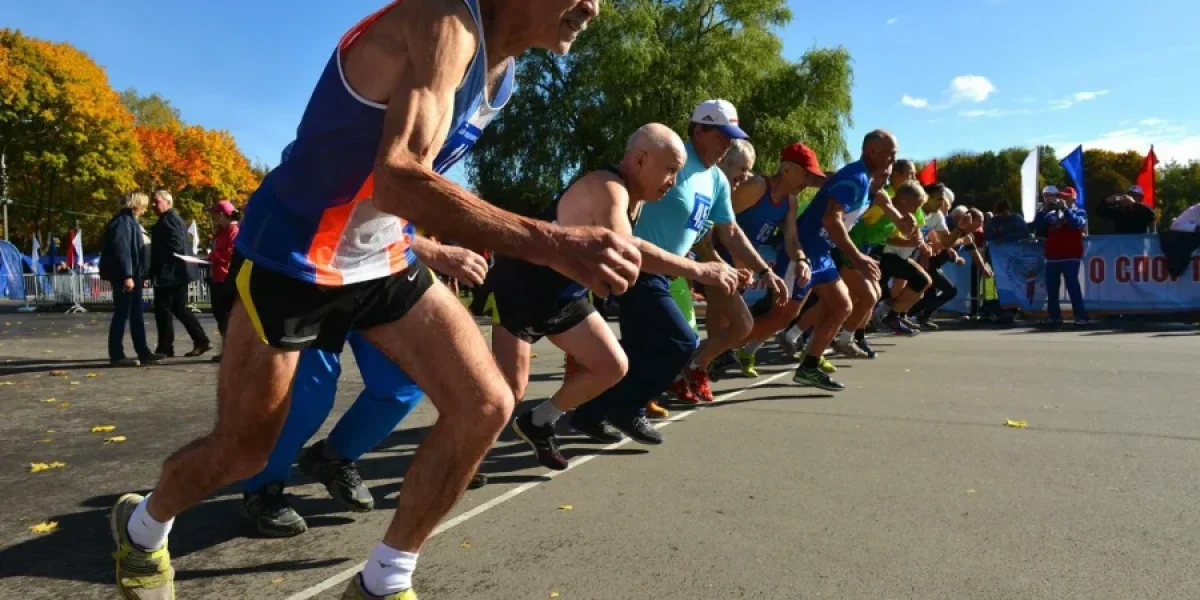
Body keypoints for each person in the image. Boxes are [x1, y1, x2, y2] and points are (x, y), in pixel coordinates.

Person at [108, 3, 640, 600]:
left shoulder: (504, 71)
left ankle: (385, 580)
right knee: (245, 451)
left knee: (486, 403)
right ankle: (143, 526)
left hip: (380, 259)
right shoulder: (443, 23)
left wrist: (431, 249)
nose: (592, 7)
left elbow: (403, 189)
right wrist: (548, 242)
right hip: (296, 259)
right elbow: (397, 176)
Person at [497, 124, 739, 468]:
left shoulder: (635, 202)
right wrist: (700, 270)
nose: (673, 180)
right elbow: (628, 248)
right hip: (522, 290)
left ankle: (538, 422)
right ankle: (458, 457)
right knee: (504, 396)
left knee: (613, 366)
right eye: (670, 169)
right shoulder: (609, 188)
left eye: (677, 172)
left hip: (565, 296)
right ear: (640, 159)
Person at [570, 99, 786, 444]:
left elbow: (729, 231)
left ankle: (589, 413)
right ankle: (627, 409)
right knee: (681, 343)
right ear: (699, 130)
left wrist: (763, 270)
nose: (728, 144)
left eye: (732, 138)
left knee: (642, 351)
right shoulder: (672, 157)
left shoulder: (716, 179)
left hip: (668, 271)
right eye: (722, 136)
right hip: (637, 265)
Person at [241, 238, 490, 536]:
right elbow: (359, 217)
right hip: (312, 277)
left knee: (403, 383)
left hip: (372, 281)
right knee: (309, 398)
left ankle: (332, 457)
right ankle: (262, 486)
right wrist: (436, 252)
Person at [790, 130, 899, 391]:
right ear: (871, 151)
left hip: (822, 251)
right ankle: (717, 354)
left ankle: (809, 367)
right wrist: (858, 257)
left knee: (841, 305)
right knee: (779, 314)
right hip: (805, 247)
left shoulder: (866, 179)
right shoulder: (856, 178)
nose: (893, 160)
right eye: (889, 154)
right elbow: (831, 219)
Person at [724, 143, 828, 374]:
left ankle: (701, 365)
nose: (807, 182)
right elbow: (719, 223)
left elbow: (791, 240)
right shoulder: (756, 187)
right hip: (724, 258)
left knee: (732, 324)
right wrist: (733, 262)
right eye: (805, 174)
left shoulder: (790, 201)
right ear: (788, 170)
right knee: (731, 323)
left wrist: (801, 260)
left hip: (743, 264)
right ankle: (696, 365)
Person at [148, 190, 212, 359]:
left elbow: (176, 246)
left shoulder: (168, 220)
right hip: (177, 272)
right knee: (179, 309)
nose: (153, 205)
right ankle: (201, 340)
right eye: (152, 202)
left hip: (171, 274)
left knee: (164, 310)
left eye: (157, 201)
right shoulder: (172, 219)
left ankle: (165, 347)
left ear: (168, 202)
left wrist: (160, 262)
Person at [99, 192, 158, 367]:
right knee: (123, 314)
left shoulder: (126, 221)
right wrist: (128, 275)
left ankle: (143, 351)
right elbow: (123, 250)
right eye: (144, 206)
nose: (145, 210)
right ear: (137, 205)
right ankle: (117, 355)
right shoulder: (124, 223)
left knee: (134, 315)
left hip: (131, 274)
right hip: (126, 275)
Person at [1034, 186, 1089, 326]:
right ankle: (1054, 316)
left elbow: (1077, 224)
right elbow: (1038, 226)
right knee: (1051, 288)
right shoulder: (1051, 213)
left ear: (1073, 198)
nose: (1062, 199)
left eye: (1066, 197)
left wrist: (1066, 210)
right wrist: (1045, 208)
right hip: (1052, 255)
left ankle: (1081, 316)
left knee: (1073, 287)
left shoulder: (1080, 211)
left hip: (1070, 255)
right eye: (1061, 197)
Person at [206, 201, 240, 362]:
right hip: (217, 276)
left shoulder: (233, 230)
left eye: (216, 214)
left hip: (225, 277)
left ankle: (231, 351)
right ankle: (228, 349)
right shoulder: (221, 231)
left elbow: (231, 254)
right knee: (220, 315)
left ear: (223, 214)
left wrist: (214, 256)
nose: (214, 217)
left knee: (225, 315)